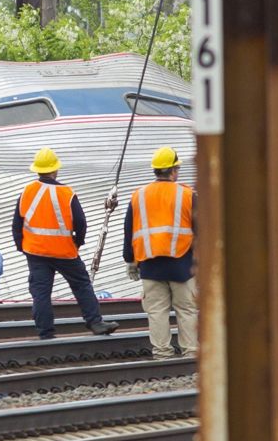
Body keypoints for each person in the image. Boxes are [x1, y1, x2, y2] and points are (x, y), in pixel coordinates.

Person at [12, 147, 120, 339]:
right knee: (81, 285)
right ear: (55, 170)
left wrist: (22, 246)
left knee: (41, 293)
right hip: (64, 252)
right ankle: (95, 322)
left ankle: (46, 333)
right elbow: (80, 222)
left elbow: (17, 223)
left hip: (36, 252)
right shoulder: (66, 193)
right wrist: (77, 242)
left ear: (37, 169)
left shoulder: (27, 191)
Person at [123, 146, 198, 359]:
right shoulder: (187, 195)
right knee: (187, 310)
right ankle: (190, 352)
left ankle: (162, 354)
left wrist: (130, 260)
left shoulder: (138, 196)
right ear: (174, 170)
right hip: (182, 264)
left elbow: (129, 229)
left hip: (149, 264)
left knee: (157, 311)